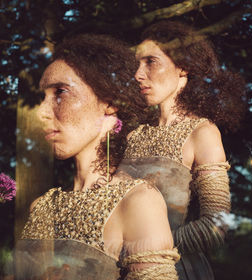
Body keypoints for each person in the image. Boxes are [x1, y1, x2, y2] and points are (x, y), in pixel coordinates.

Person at [15, 34, 180, 280]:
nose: (41, 112)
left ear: (109, 102)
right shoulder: (42, 207)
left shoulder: (137, 201)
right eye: (44, 97)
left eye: (61, 92)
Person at [119, 21, 246, 279]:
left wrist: (145, 249)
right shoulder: (132, 134)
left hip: (176, 271)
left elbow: (216, 225)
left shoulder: (202, 133)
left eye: (151, 61)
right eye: (137, 65)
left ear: (183, 66)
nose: (138, 74)